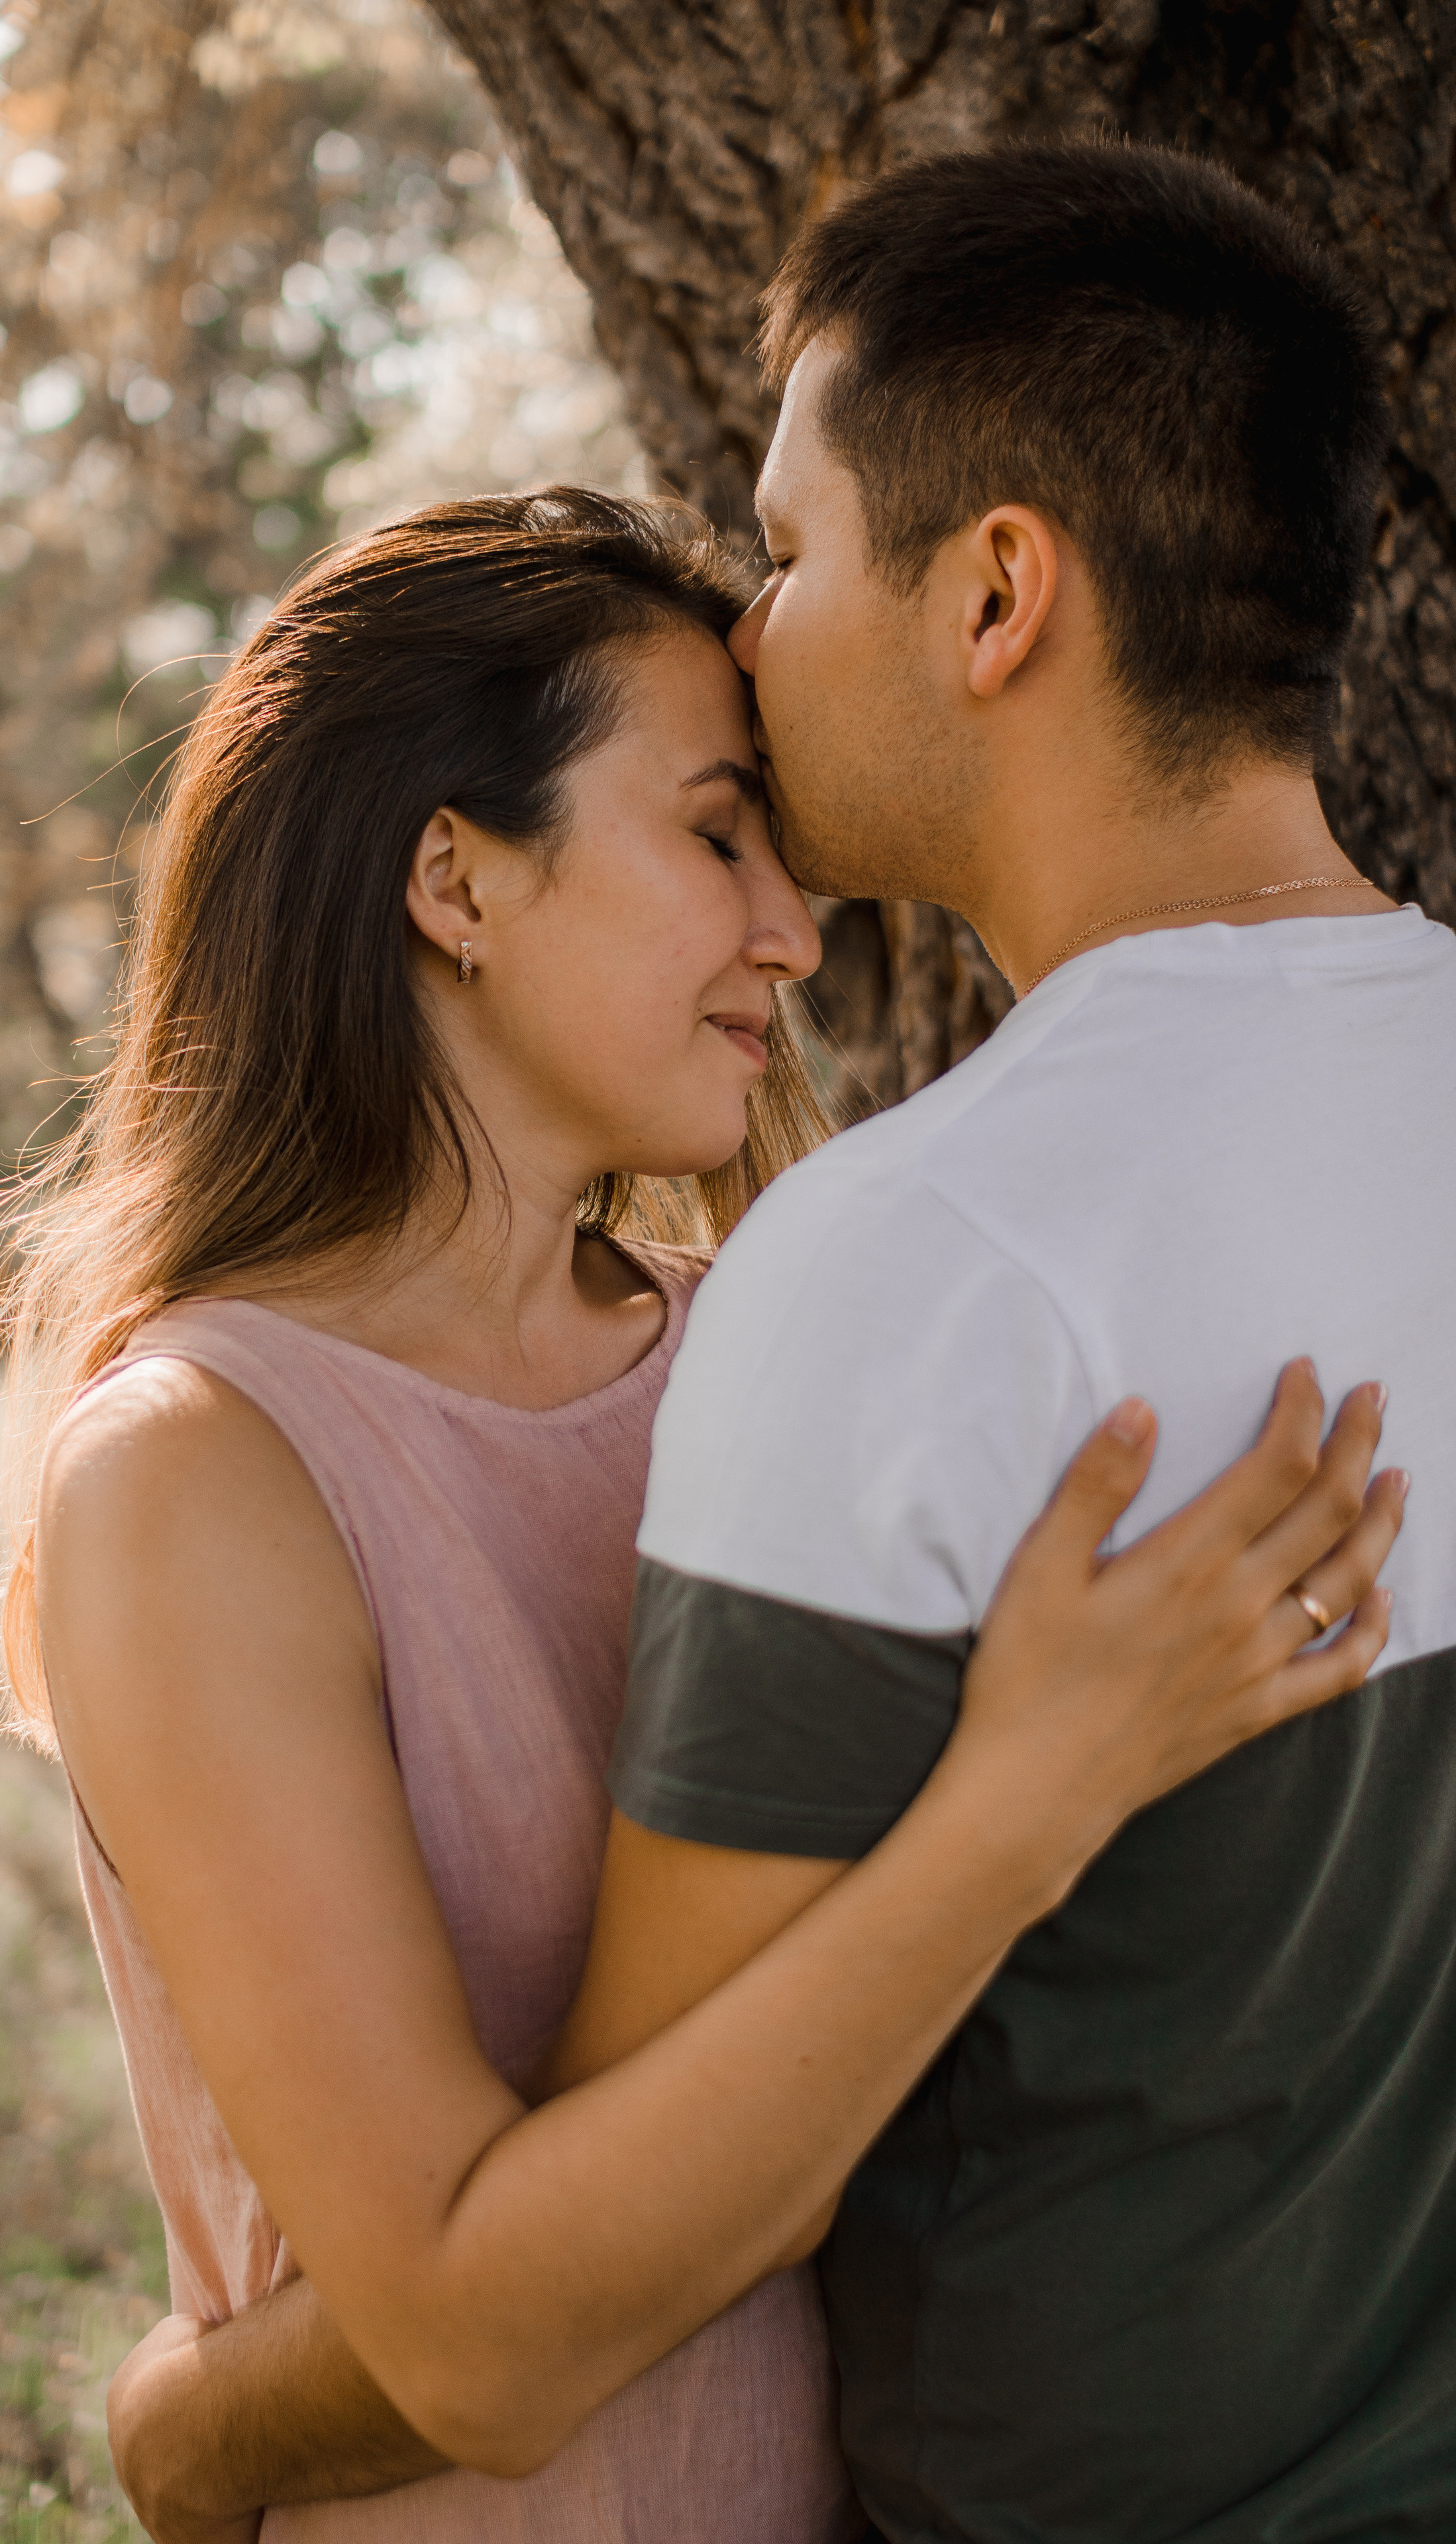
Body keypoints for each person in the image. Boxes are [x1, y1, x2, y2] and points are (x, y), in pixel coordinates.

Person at [2, 483, 1400, 2544]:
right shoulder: (199, 1476)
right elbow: (473, 2343)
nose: (796, 929)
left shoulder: (776, 1360)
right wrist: (1039, 1787)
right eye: (716, 830)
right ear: (456, 878)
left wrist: (183, 2423)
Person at [571, 142, 1456, 2542]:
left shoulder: (908, 1260)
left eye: (789, 545)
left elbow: (640, 2221)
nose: (752, 632)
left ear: (994, 596)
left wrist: (195, 2413)